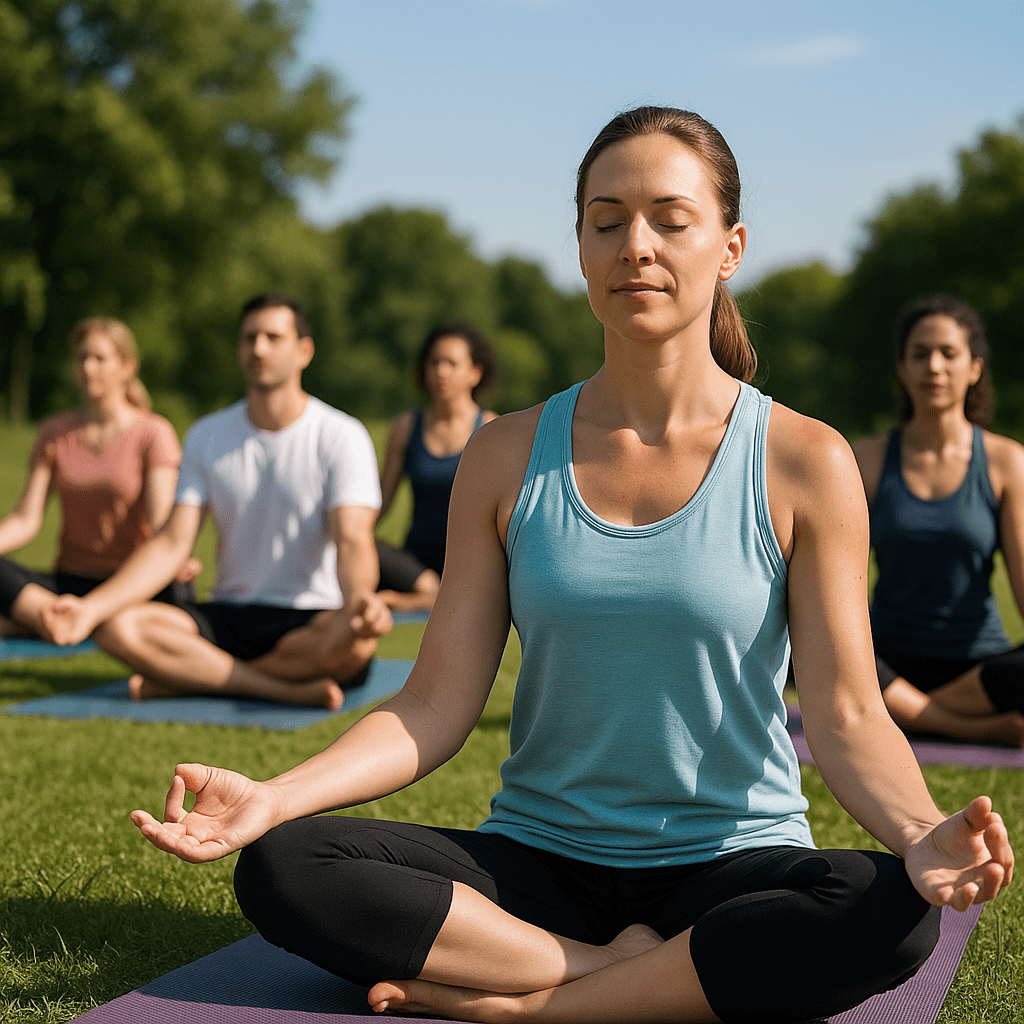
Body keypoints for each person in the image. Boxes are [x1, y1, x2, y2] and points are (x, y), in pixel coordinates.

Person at [128, 109, 1012, 1024]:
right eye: (607, 219)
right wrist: (274, 796)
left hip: (729, 862)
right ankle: (617, 972)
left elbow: (846, 713)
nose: (637, 245)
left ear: (730, 246)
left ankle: (538, 1004)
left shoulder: (804, 460)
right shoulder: (505, 454)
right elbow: (433, 706)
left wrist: (917, 833)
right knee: (286, 865)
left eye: (671, 218)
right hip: (540, 868)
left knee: (892, 910)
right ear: (581, 247)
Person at [45, 294, 391, 710]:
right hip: (226, 615)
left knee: (355, 643)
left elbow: (353, 539)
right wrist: (89, 608)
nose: (258, 348)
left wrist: (360, 602)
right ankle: (280, 689)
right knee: (114, 626)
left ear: (304, 350)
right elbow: (173, 542)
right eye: (249, 338)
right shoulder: (207, 435)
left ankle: (194, 677)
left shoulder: (342, 435)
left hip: (308, 620)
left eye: (272, 337)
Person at [853, 296, 1024, 747]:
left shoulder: (1008, 463)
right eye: (920, 353)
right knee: (803, 635)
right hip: (884, 662)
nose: (934, 366)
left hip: (978, 668)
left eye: (949, 353)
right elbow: (836, 588)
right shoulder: (865, 460)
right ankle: (960, 726)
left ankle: (906, 714)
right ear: (901, 369)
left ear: (975, 368)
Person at [0, 317, 196, 641]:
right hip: (70, 580)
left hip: (129, 583)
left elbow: (162, 524)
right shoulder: (54, 432)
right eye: (82, 358)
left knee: (179, 593)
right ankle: (66, 616)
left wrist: (177, 559)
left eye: (100, 359)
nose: (88, 368)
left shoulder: (153, 433)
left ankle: (61, 618)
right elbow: (25, 520)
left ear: (127, 366)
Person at [376, 324, 498, 612]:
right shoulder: (406, 427)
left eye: (452, 364)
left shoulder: (491, 428)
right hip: (415, 567)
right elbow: (379, 504)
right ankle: (431, 593)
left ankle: (423, 600)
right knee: (360, 546)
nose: (441, 371)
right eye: (434, 362)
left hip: (468, 560)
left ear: (474, 373)